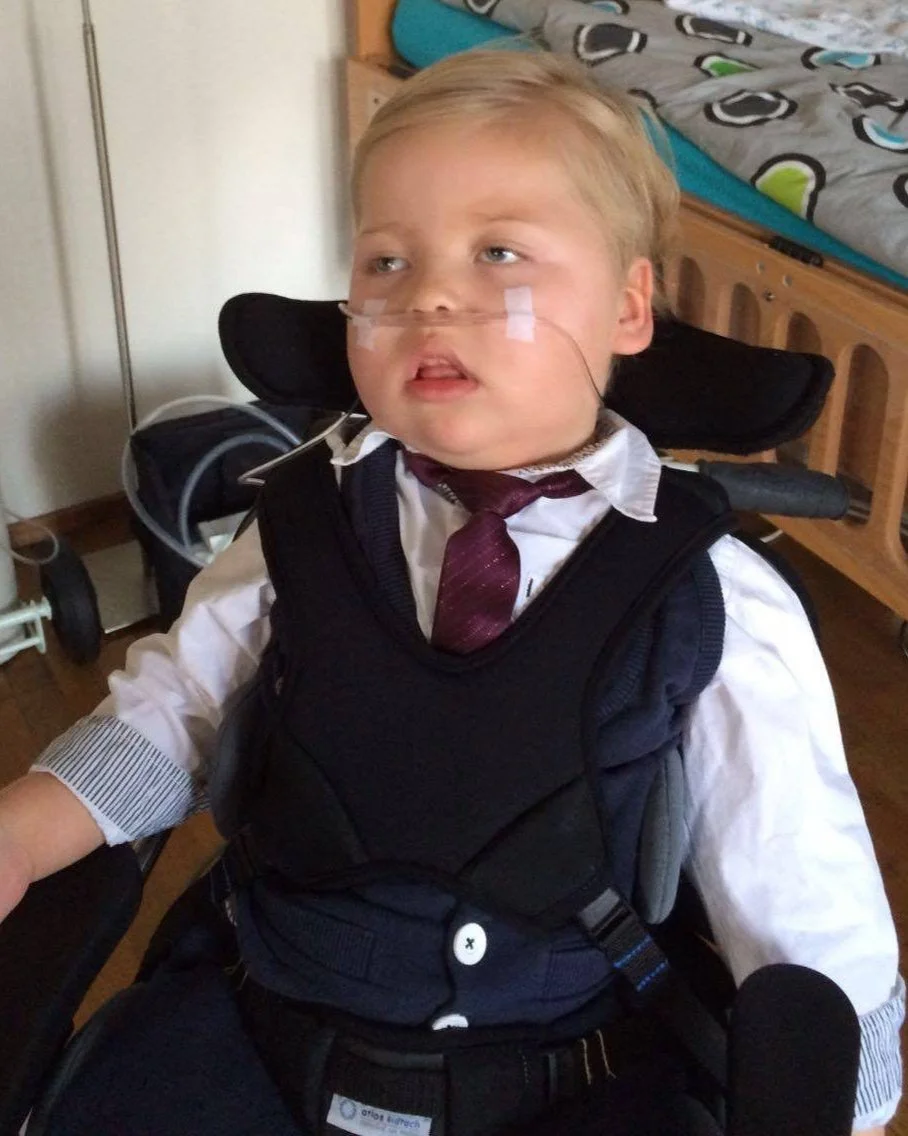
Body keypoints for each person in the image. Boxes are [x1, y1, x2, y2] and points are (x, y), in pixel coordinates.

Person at [0, 48, 902, 1136]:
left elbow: (794, 875)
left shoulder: (708, 592)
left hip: (566, 1058)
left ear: (625, 308)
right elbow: (172, 711)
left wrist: (835, 1095)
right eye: (383, 261)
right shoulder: (297, 525)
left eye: (498, 251)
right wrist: (24, 831)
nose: (425, 293)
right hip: (276, 1015)